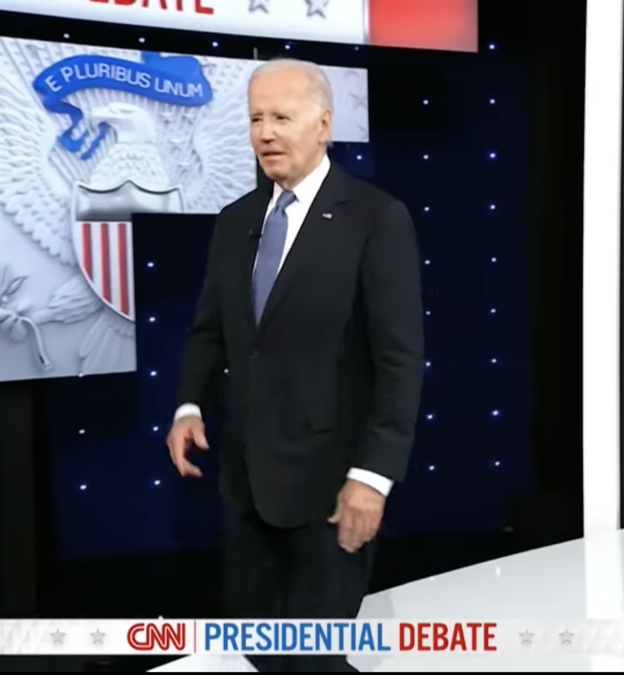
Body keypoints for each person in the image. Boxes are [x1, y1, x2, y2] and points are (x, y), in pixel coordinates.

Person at [167, 58, 424, 673]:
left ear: (323, 124)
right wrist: (188, 405)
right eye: (256, 118)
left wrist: (373, 477)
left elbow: (400, 359)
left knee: (313, 662)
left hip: (331, 488)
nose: (266, 132)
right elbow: (211, 331)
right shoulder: (235, 223)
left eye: (282, 117)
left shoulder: (375, 218)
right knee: (262, 654)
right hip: (248, 484)